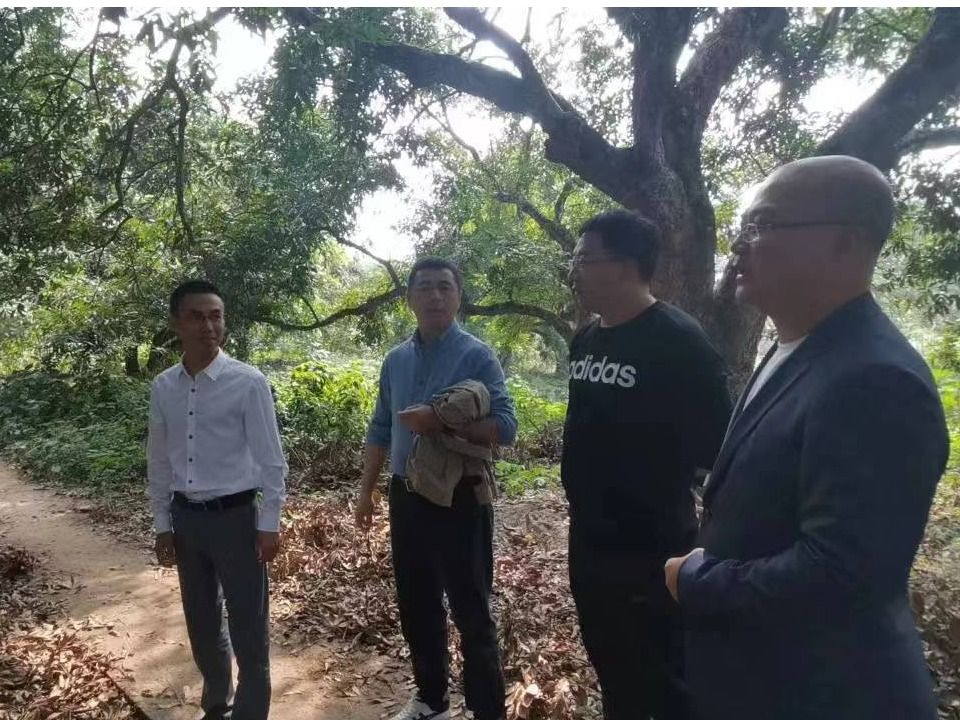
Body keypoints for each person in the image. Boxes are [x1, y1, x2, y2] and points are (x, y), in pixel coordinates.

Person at [665, 155, 948, 720]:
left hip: (821, 690)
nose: (739, 245)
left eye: (762, 226)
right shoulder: (793, 344)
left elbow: (844, 574)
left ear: (845, 242)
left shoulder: (877, 380)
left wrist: (698, 579)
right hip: (757, 675)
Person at [562, 210, 732, 720]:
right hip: (589, 540)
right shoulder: (586, 339)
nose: (575, 271)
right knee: (612, 666)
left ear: (625, 264)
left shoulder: (679, 341)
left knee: (664, 676)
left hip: (652, 547)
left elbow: (719, 450)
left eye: (584, 259)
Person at [356, 257, 517, 720]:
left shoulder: (477, 355)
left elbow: (506, 427)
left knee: (472, 610)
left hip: (460, 497)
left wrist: (441, 420)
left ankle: (488, 710)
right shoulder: (396, 360)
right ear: (409, 298)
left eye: (445, 287)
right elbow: (380, 427)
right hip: (406, 496)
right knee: (417, 603)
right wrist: (366, 491)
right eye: (425, 287)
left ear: (458, 297)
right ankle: (431, 701)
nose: (435, 296)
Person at [147, 279, 287, 720]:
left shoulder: (247, 382)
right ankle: (216, 706)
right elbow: (159, 460)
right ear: (176, 323)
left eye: (216, 316)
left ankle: (251, 712)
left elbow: (271, 461)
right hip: (187, 520)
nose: (208, 326)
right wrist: (163, 524)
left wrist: (269, 524)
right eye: (196, 316)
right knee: (202, 624)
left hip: (237, 519)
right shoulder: (164, 386)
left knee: (249, 626)